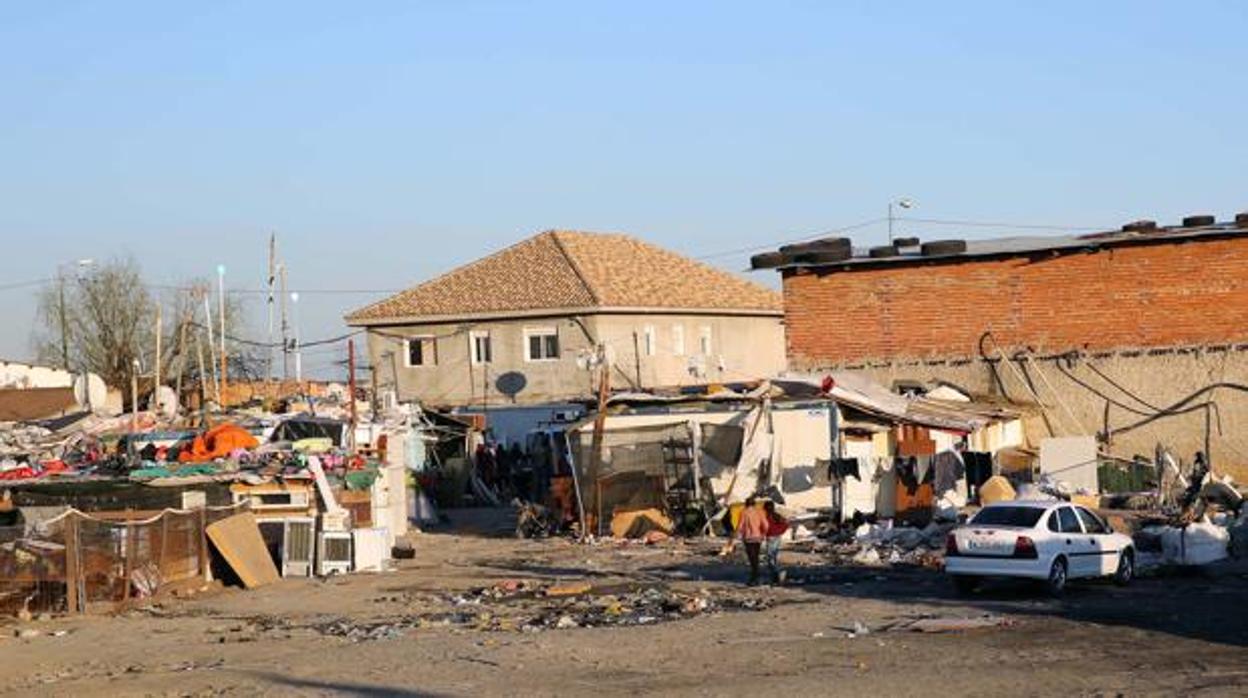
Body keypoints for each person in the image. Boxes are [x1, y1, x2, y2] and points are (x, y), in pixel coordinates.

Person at [736, 496, 769, 586]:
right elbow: (766, 525)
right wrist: (763, 534)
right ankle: (755, 576)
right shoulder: (760, 512)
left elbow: (740, 526)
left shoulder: (744, 513)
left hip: (748, 538)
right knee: (756, 557)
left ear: (746, 504)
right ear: (754, 503)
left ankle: (754, 577)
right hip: (758, 537)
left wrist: (737, 536)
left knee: (752, 558)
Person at [763, 500, 789, 585]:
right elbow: (785, 523)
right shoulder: (776, 515)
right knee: (773, 556)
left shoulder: (769, 516)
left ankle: (778, 572)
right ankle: (775, 576)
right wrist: (780, 531)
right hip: (777, 537)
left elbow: (766, 527)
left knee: (770, 557)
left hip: (771, 537)